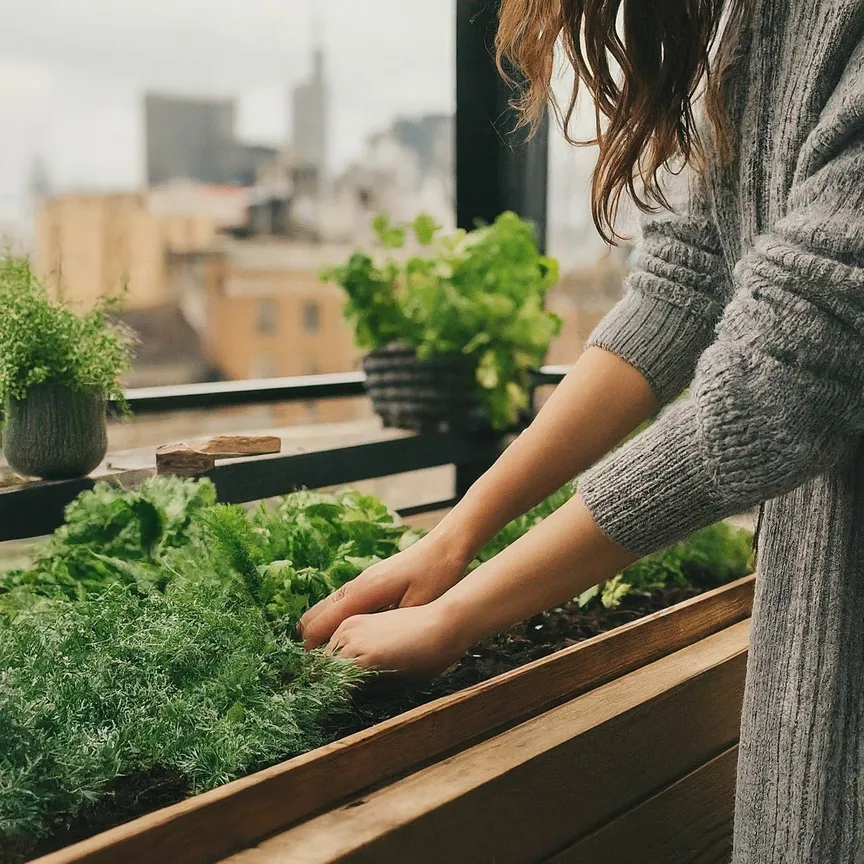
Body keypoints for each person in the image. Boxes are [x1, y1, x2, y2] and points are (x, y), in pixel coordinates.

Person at [300, 0, 864, 860]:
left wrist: (458, 619)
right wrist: (453, 539)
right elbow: (679, 288)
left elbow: (775, 386)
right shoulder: (763, 26)